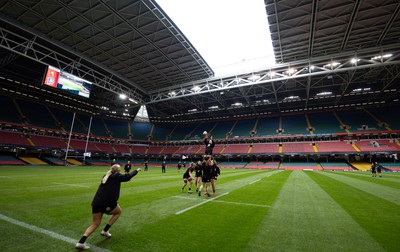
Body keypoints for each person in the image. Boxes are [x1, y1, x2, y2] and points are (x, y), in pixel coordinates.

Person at [75, 164, 142, 250]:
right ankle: (105, 231)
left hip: (96, 202)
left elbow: (124, 178)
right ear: (117, 171)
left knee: (95, 224)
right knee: (118, 212)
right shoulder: (117, 176)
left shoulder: (106, 176)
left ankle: (80, 242)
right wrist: (137, 170)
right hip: (107, 203)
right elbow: (127, 177)